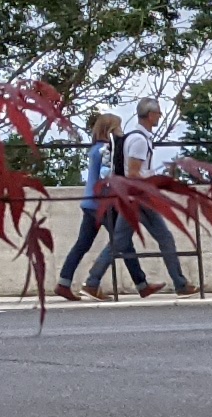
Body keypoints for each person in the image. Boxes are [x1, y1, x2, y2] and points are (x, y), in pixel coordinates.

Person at [110, 96, 202, 295]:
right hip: (140, 196)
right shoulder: (139, 140)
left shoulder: (137, 137)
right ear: (150, 115)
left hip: (135, 196)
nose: (160, 116)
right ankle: (180, 284)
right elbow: (133, 172)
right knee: (160, 238)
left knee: (121, 241)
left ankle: (93, 281)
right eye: (158, 113)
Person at [53, 109, 132, 299]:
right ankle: (138, 283)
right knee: (122, 240)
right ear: (111, 130)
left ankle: (64, 282)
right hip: (101, 204)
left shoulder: (95, 149)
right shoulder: (106, 150)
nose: (121, 131)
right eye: (119, 127)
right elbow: (106, 177)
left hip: (89, 203)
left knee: (82, 244)